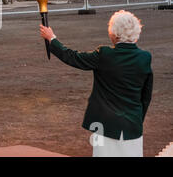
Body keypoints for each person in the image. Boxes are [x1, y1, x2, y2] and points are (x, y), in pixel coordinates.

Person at [39, 10, 153, 157]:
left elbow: (73, 57)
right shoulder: (145, 58)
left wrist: (52, 38)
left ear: (114, 33)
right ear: (136, 33)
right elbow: (146, 96)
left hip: (104, 126)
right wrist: (137, 118)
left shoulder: (104, 54)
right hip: (132, 126)